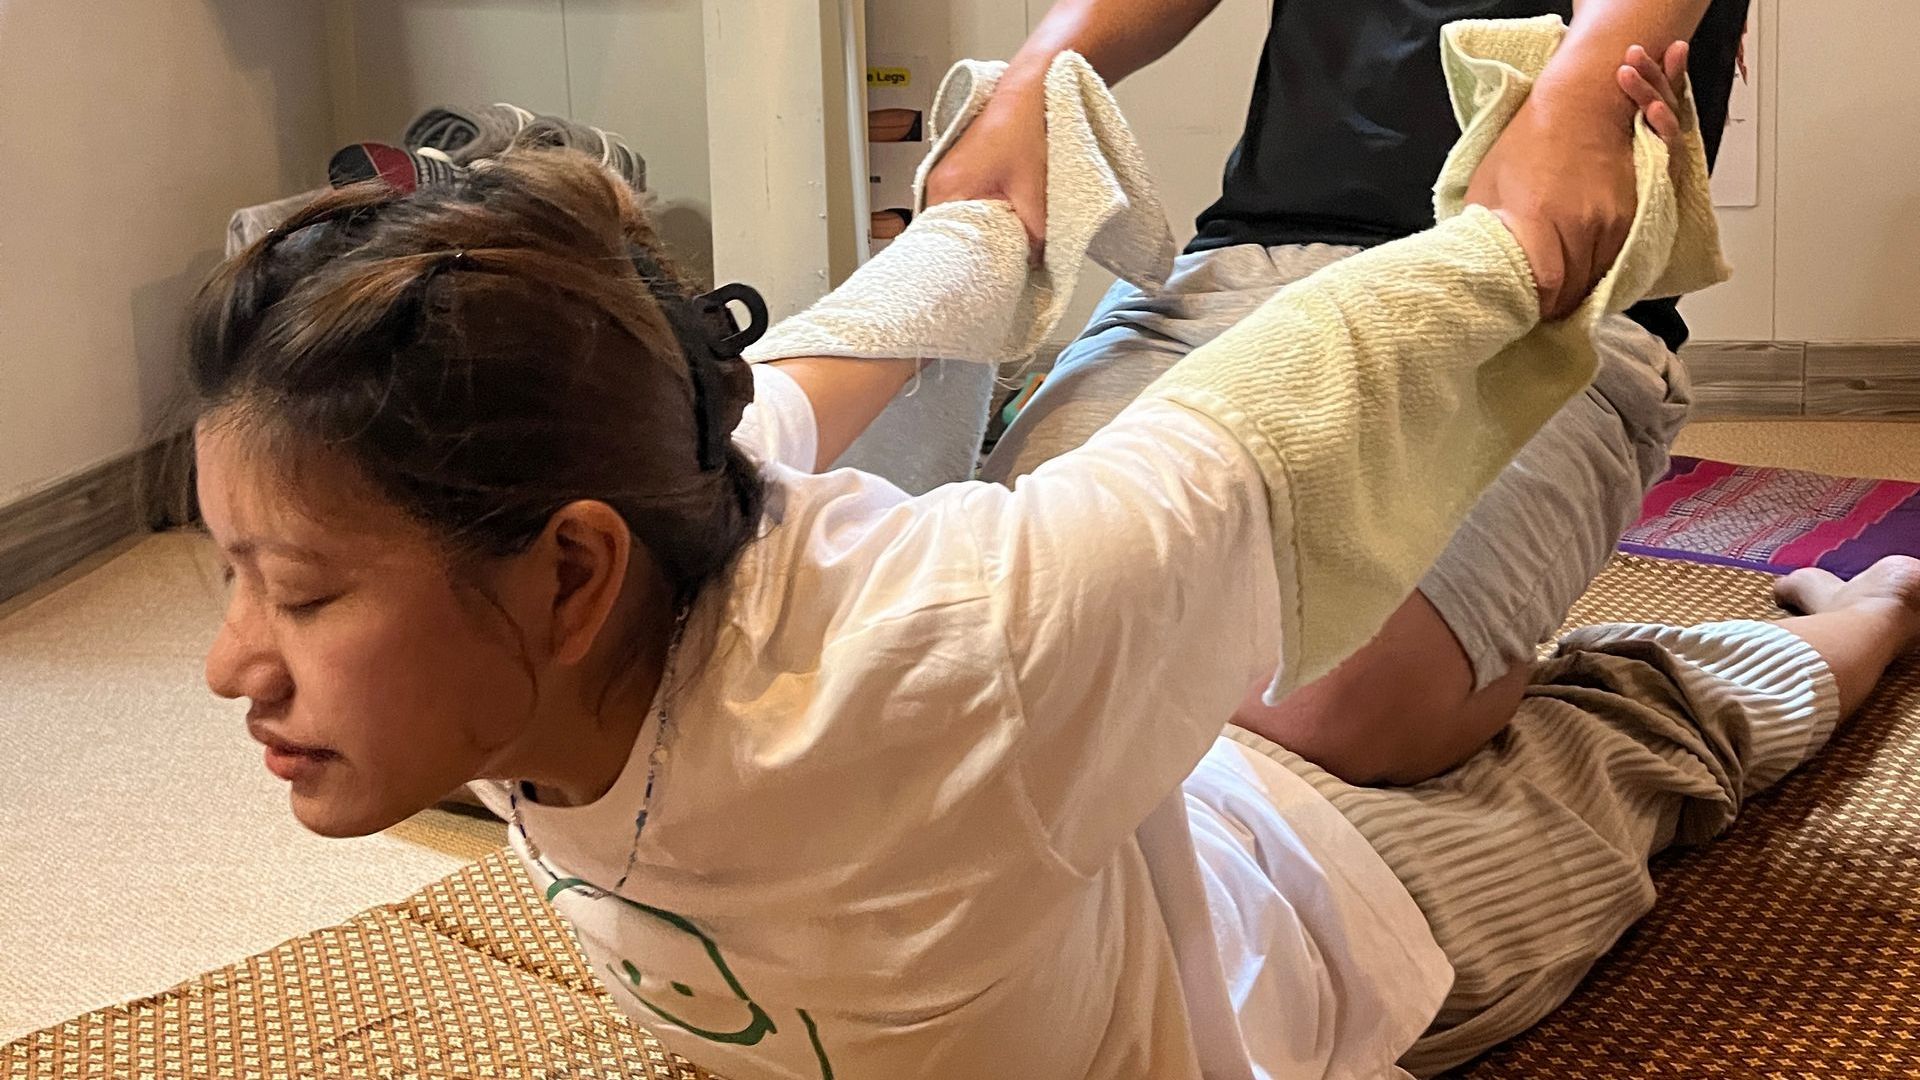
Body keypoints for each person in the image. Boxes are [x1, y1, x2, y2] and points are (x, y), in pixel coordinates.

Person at [188, 60, 1910, 1080]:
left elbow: (1265, 425)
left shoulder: (950, 647)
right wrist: (988, 219)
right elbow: (790, 378)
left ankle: (1858, 625)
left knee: (1614, 768)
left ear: (574, 577)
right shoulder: (613, 561)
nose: (229, 666)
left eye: (304, 593)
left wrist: (1517, 241)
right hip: (1085, 798)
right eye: (231, 579)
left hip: (1312, 925)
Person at [931, 0, 1753, 786]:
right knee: (977, 627)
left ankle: (1827, 644)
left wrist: (1581, 98)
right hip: (1244, 267)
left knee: (1311, 700)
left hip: (1529, 293)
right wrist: (1030, 82)